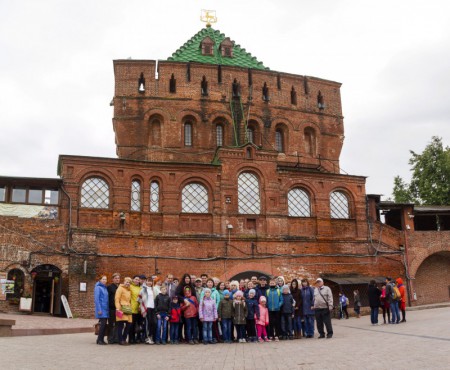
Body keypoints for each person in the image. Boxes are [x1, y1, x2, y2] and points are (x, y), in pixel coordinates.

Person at [115, 277, 133, 345]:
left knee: (129, 324)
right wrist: (118, 308)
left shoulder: (129, 290)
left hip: (128, 309)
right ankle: (120, 340)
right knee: (120, 325)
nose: (127, 283)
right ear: (124, 281)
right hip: (121, 308)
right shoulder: (120, 288)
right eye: (126, 282)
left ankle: (124, 339)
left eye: (129, 282)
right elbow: (117, 299)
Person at [138, 277, 155, 344]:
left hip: (153, 308)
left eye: (151, 281)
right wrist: (141, 307)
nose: (150, 282)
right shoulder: (143, 289)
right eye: (148, 281)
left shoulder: (153, 289)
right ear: (146, 282)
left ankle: (150, 336)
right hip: (147, 308)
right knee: (148, 323)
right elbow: (139, 299)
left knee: (152, 323)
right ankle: (147, 338)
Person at [94, 275, 109, 345]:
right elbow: (97, 300)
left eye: (105, 279)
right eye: (103, 279)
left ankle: (100, 339)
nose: (104, 281)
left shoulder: (105, 288)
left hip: (105, 309)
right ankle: (100, 340)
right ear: (100, 280)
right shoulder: (98, 288)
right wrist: (99, 309)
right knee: (102, 325)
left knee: (104, 325)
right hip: (101, 309)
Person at [107, 272, 121, 344]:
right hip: (112, 309)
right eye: (116, 278)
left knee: (118, 324)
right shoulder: (109, 287)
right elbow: (107, 298)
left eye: (118, 278)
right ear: (113, 279)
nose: (117, 279)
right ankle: (110, 338)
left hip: (118, 309)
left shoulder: (120, 287)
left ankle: (116, 338)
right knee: (111, 324)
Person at [129, 275, 143, 344]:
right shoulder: (130, 287)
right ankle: (131, 338)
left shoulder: (140, 288)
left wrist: (140, 305)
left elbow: (141, 298)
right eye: (136, 279)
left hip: (138, 309)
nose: (137, 281)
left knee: (137, 325)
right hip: (131, 308)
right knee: (131, 325)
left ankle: (136, 338)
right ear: (133, 280)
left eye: (138, 280)